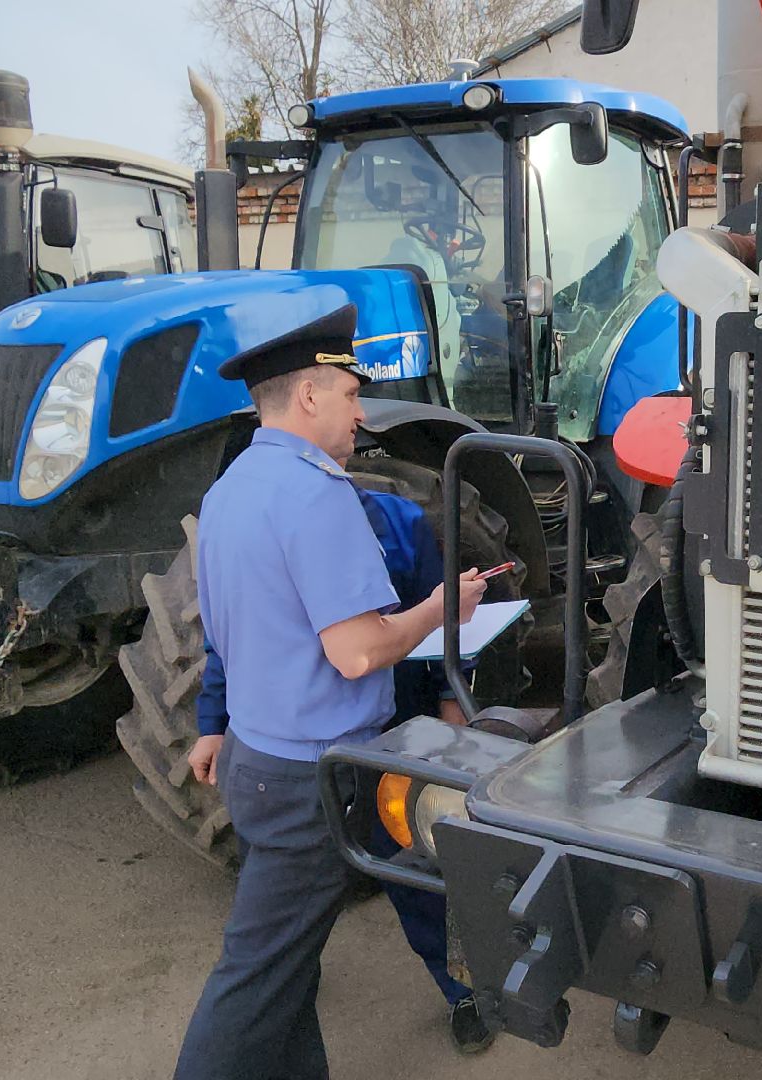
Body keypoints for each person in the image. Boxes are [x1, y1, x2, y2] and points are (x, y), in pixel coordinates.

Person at [172, 300, 486, 1080]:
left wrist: (213, 723)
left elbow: (230, 632)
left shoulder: (231, 488)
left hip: (256, 760)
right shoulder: (318, 494)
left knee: (285, 968)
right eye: (350, 395)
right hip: (310, 777)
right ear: (309, 394)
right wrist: (440, 609)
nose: (360, 413)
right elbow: (358, 652)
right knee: (255, 981)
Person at [188, 486, 491, 1053]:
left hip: (390, 737)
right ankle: (289, 979)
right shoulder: (261, 520)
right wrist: (213, 722)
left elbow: (448, 623)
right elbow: (230, 637)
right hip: (293, 753)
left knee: (419, 869)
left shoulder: (400, 523)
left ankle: (464, 989)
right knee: (280, 893)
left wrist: (453, 709)